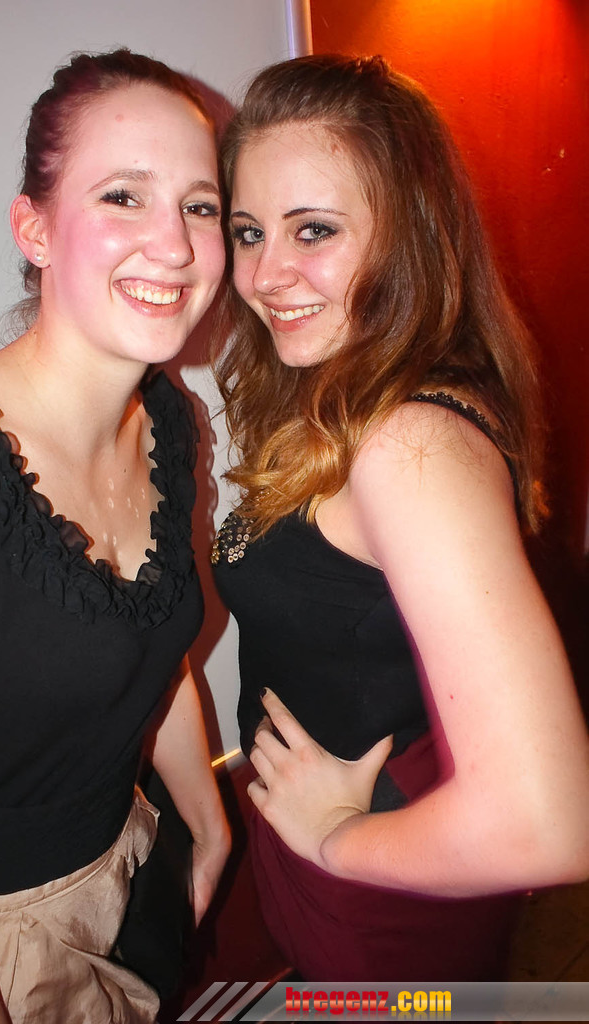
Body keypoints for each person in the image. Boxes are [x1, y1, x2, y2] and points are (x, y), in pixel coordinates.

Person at [212, 54, 589, 982]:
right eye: (249, 231)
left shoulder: (407, 443)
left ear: (408, 233)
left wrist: (335, 837)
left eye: (314, 229)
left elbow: (555, 824)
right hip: (341, 841)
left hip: (381, 888)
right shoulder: (349, 393)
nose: (265, 274)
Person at [0, 49, 230, 1023]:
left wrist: (207, 820)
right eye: (123, 196)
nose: (174, 244)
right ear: (35, 230)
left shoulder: (168, 420)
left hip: (130, 868)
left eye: (201, 205)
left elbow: (153, 644)